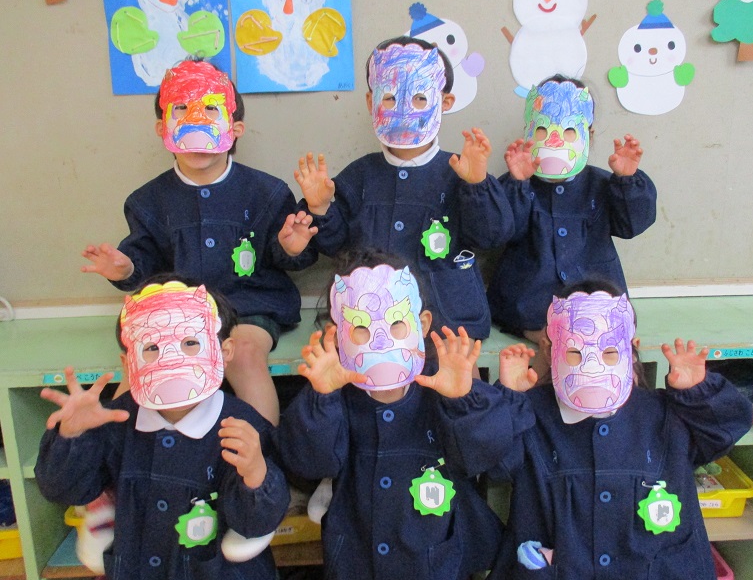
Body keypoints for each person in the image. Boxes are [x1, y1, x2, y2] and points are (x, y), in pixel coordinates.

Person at [416, 283, 753, 580]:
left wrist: (698, 392)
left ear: (631, 347)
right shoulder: (533, 414)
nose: (592, 366)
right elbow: (487, 459)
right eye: (575, 352)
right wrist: (508, 402)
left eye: (609, 351)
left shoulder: (667, 415)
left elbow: (727, 429)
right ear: (551, 350)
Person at [80, 58, 317, 426]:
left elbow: (283, 256)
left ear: (235, 129)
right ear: (163, 128)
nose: (196, 123)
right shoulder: (147, 201)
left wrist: (291, 247)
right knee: (143, 360)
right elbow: (143, 260)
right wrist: (125, 269)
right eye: (181, 110)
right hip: (176, 309)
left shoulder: (266, 192)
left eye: (210, 110)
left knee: (244, 355)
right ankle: (122, 449)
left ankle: (260, 450)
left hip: (248, 306)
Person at [35, 276, 290, 580]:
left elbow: (257, 524)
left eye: (191, 343)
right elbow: (63, 489)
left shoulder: (242, 428)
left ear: (224, 351)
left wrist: (256, 475)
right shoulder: (115, 421)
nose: (170, 359)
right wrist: (72, 436)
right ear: (128, 363)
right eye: (152, 347)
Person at [278, 251, 503, 580]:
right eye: (361, 326)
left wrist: (463, 400)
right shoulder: (334, 393)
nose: (380, 339)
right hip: (358, 559)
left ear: (421, 324)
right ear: (337, 333)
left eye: (397, 322)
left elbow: (485, 457)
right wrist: (322, 398)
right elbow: (310, 464)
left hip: (433, 561)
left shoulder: (443, 385)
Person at [293, 36, 513, 342]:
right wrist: (321, 209)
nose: (404, 111)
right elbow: (335, 246)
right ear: (371, 102)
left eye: (420, 98)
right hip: (371, 327)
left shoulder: (460, 171)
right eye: (390, 98)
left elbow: (492, 236)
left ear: (445, 102)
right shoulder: (359, 175)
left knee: (460, 373)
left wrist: (477, 185)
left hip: (448, 322)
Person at [486, 75, 657, 376]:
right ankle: (549, 347)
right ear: (529, 132)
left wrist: (627, 181)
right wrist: (517, 183)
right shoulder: (517, 182)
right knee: (550, 343)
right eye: (543, 130)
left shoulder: (602, 184)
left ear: (588, 134)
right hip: (531, 305)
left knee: (601, 346)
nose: (555, 141)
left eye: (568, 131)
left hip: (596, 305)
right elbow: (501, 231)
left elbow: (632, 224)